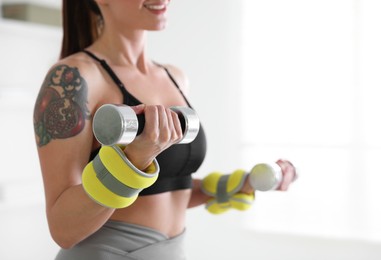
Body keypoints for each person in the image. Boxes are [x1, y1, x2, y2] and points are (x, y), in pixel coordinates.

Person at [33, 1, 297, 259]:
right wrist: (135, 159)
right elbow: (63, 229)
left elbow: (163, 191)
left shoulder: (174, 77)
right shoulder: (73, 80)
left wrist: (238, 184)